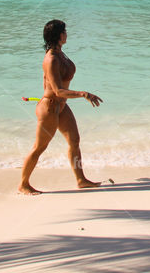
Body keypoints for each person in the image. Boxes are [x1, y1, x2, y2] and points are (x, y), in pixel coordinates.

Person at [19, 19, 103, 195]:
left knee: (74, 141)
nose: (66, 34)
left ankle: (81, 179)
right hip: (49, 108)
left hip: (62, 107)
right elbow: (57, 91)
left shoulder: (61, 55)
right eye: (64, 31)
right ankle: (23, 184)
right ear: (58, 35)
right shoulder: (51, 60)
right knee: (39, 147)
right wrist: (83, 94)